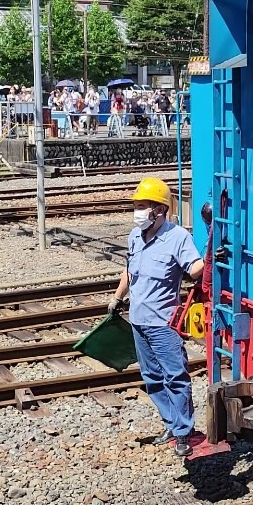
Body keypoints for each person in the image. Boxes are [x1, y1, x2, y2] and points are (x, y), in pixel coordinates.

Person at [108, 177, 204, 457]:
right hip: (138, 321)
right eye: (136, 205)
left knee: (175, 376)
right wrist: (117, 298)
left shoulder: (177, 238)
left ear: (159, 209)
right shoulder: (135, 236)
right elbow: (129, 271)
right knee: (151, 377)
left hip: (164, 323)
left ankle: (184, 432)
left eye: (142, 206)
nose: (137, 211)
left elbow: (195, 269)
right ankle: (172, 424)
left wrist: (211, 258)